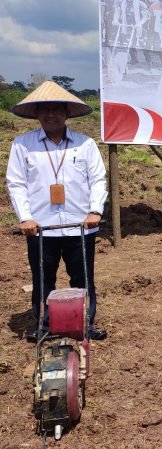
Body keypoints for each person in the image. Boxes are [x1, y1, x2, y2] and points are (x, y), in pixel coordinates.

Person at [6, 81, 108, 341]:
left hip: (80, 225)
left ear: (66, 113)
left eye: (56, 109)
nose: (51, 114)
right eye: (45, 109)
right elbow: (16, 183)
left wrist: (95, 211)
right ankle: (44, 323)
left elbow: (98, 179)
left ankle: (85, 323)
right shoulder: (23, 144)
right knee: (43, 278)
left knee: (83, 277)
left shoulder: (85, 144)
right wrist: (25, 217)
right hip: (41, 227)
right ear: (37, 113)